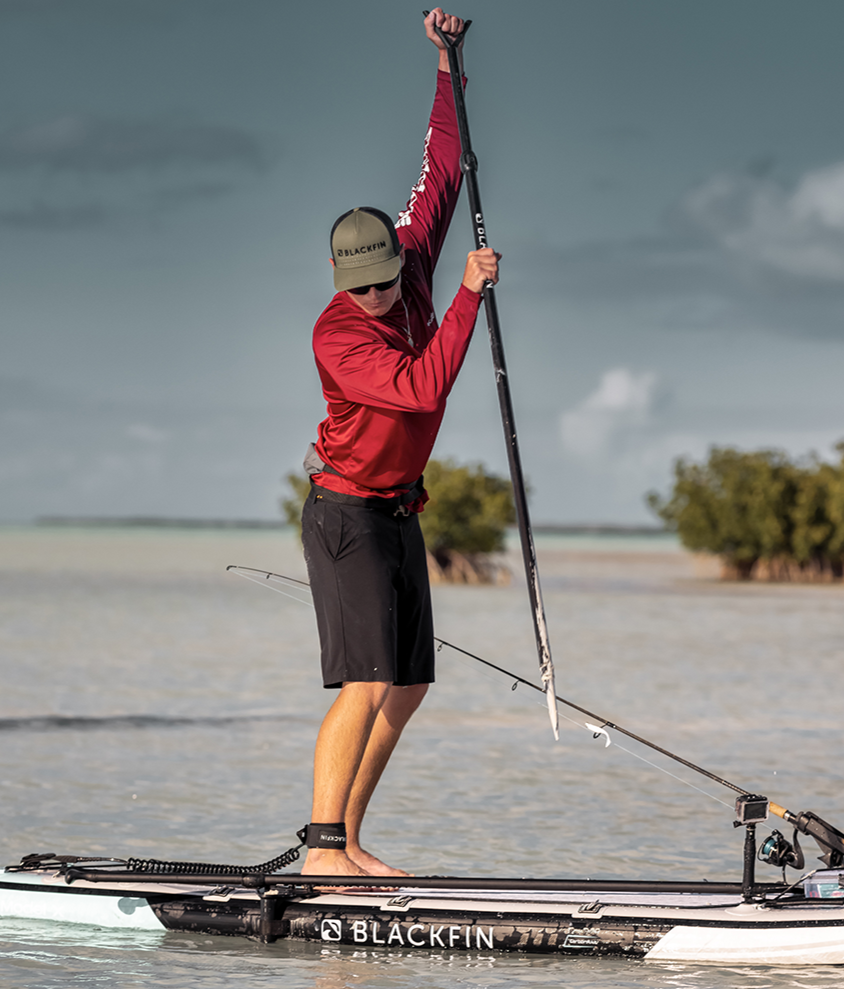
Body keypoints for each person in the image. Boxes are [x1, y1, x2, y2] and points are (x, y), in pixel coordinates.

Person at [299, 8, 499, 879]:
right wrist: (467, 299)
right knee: (366, 682)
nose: (379, 297)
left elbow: (446, 167)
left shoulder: (411, 258)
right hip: (343, 513)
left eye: (387, 280)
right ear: (340, 281)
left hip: (397, 512)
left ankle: (346, 838)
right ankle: (319, 853)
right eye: (363, 287)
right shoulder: (337, 336)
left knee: (408, 685)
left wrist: (446, 64)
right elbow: (419, 388)